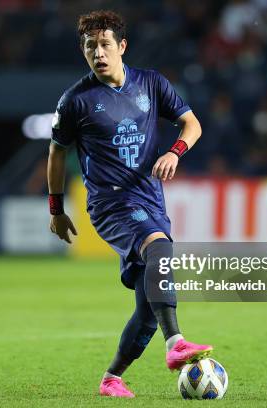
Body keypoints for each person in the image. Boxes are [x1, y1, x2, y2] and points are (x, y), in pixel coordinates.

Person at [46, 10, 212, 398]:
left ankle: (111, 379)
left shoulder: (151, 83)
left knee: (147, 308)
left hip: (150, 197)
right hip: (110, 204)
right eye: (90, 48)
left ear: (122, 47)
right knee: (160, 247)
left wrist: (175, 151)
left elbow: (193, 124)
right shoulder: (76, 100)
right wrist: (56, 208)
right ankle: (177, 344)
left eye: (105, 45)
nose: (98, 54)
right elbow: (56, 154)